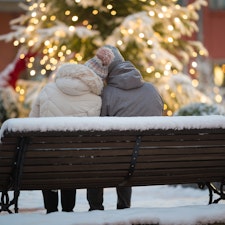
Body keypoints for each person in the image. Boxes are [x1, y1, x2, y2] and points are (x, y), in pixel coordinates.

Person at [86, 45, 164, 211]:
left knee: (98, 160)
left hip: (116, 159)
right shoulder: (151, 89)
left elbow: (99, 130)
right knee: (128, 156)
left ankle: (95, 208)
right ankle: (124, 206)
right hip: (148, 159)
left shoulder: (107, 93)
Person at [29, 62, 105, 213]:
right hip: (76, 160)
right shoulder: (95, 100)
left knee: (50, 160)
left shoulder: (47, 89)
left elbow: (32, 122)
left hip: (48, 158)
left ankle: (51, 211)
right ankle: (68, 211)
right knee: (70, 159)